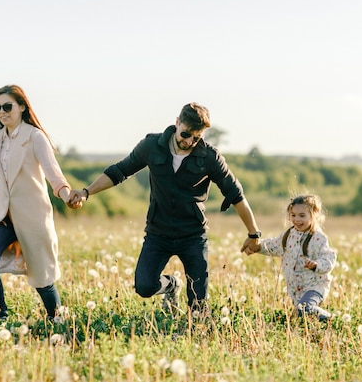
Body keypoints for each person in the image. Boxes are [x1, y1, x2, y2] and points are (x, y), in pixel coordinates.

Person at [69, 103, 262, 314]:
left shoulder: (210, 157)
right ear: (177, 122)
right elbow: (120, 171)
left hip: (193, 235)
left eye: (196, 138)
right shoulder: (152, 145)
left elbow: (236, 195)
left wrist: (254, 234)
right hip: (158, 233)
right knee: (144, 287)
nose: (189, 141)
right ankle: (172, 285)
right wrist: (86, 192)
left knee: (198, 305)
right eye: (186, 134)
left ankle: (191, 334)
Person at [0, 84, 81, 321]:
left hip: (31, 216)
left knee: (41, 275)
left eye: (7, 106)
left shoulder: (35, 137)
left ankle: (57, 318)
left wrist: (67, 197)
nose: (2, 112)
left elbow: (54, 175)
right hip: (2, 216)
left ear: (22, 107)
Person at [241, 194, 336, 322]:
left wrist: (316, 265)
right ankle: (320, 330)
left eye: (302, 215)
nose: (297, 219)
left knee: (305, 309)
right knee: (302, 316)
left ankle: (331, 320)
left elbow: (329, 258)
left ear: (314, 215)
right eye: (293, 215)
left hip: (315, 286)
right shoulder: (289, 235)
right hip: (296, 288)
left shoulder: (318, 238)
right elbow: (273, 245)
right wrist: (256, 247)